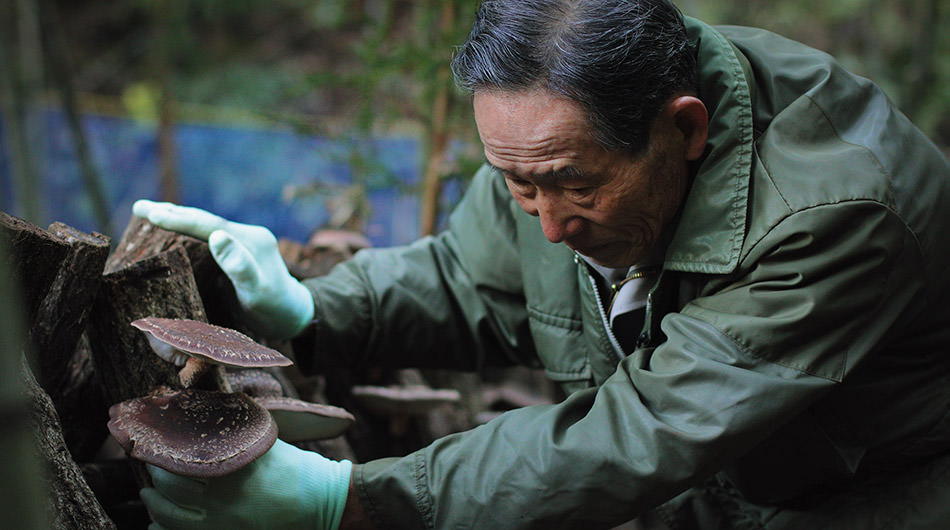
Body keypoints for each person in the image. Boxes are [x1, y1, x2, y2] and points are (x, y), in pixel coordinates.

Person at [132, 0, 950, 528]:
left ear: (687, 130)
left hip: (869, 497)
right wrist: (316, 311)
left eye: (572, 185)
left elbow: (648, 430)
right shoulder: (551, 134)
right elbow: (473, 279)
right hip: (714, 489)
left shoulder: (835, 212)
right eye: (515, 183)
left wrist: (350, 503)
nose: (549, 226)